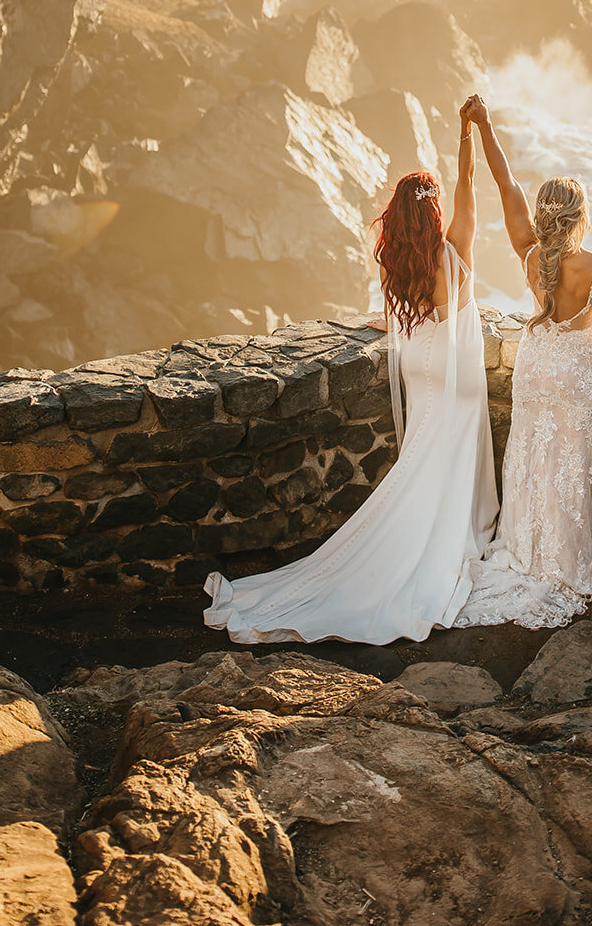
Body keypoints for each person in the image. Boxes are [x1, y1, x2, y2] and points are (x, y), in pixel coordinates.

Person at [203, 106, 497, 643]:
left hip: (417, 362)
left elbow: (395, 317)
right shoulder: (455, 253)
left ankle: (413, 535)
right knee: (451, 453)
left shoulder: (400, 266)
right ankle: (453, 537)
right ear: (433, 217)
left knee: (423, 455)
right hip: (456, 370)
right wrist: (468, 132)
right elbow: (469, 182)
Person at [455, 94, 592, 629]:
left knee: (532, 459)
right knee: (571, 462)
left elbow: (503, 185)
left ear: (542, 216)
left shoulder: (530, 255)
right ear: (581, 218)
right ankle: (568, 559)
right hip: (576, 375)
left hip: (535, 367)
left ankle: (527, 550)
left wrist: (484, 127)